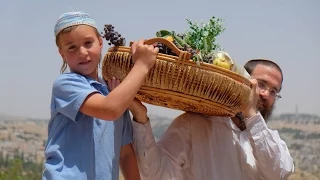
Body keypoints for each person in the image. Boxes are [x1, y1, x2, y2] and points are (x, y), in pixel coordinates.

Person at [129, 59, 294, 180]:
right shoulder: (194, 124)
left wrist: (251, 114)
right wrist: (141, 118)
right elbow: (154, 175)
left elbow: (279, 172)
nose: (266, 94)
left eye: (274, 91)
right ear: (241, 81)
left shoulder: (271, 140)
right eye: (262, 84)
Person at [42, 11, 159, 180]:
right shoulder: (66, 84)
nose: (82, 52)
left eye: (88, 43)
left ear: (100, 43)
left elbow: (125, 153)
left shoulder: (113, 93)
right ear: (62, 54)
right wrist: (142, 65)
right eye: (71, 47)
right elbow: (109, 109)